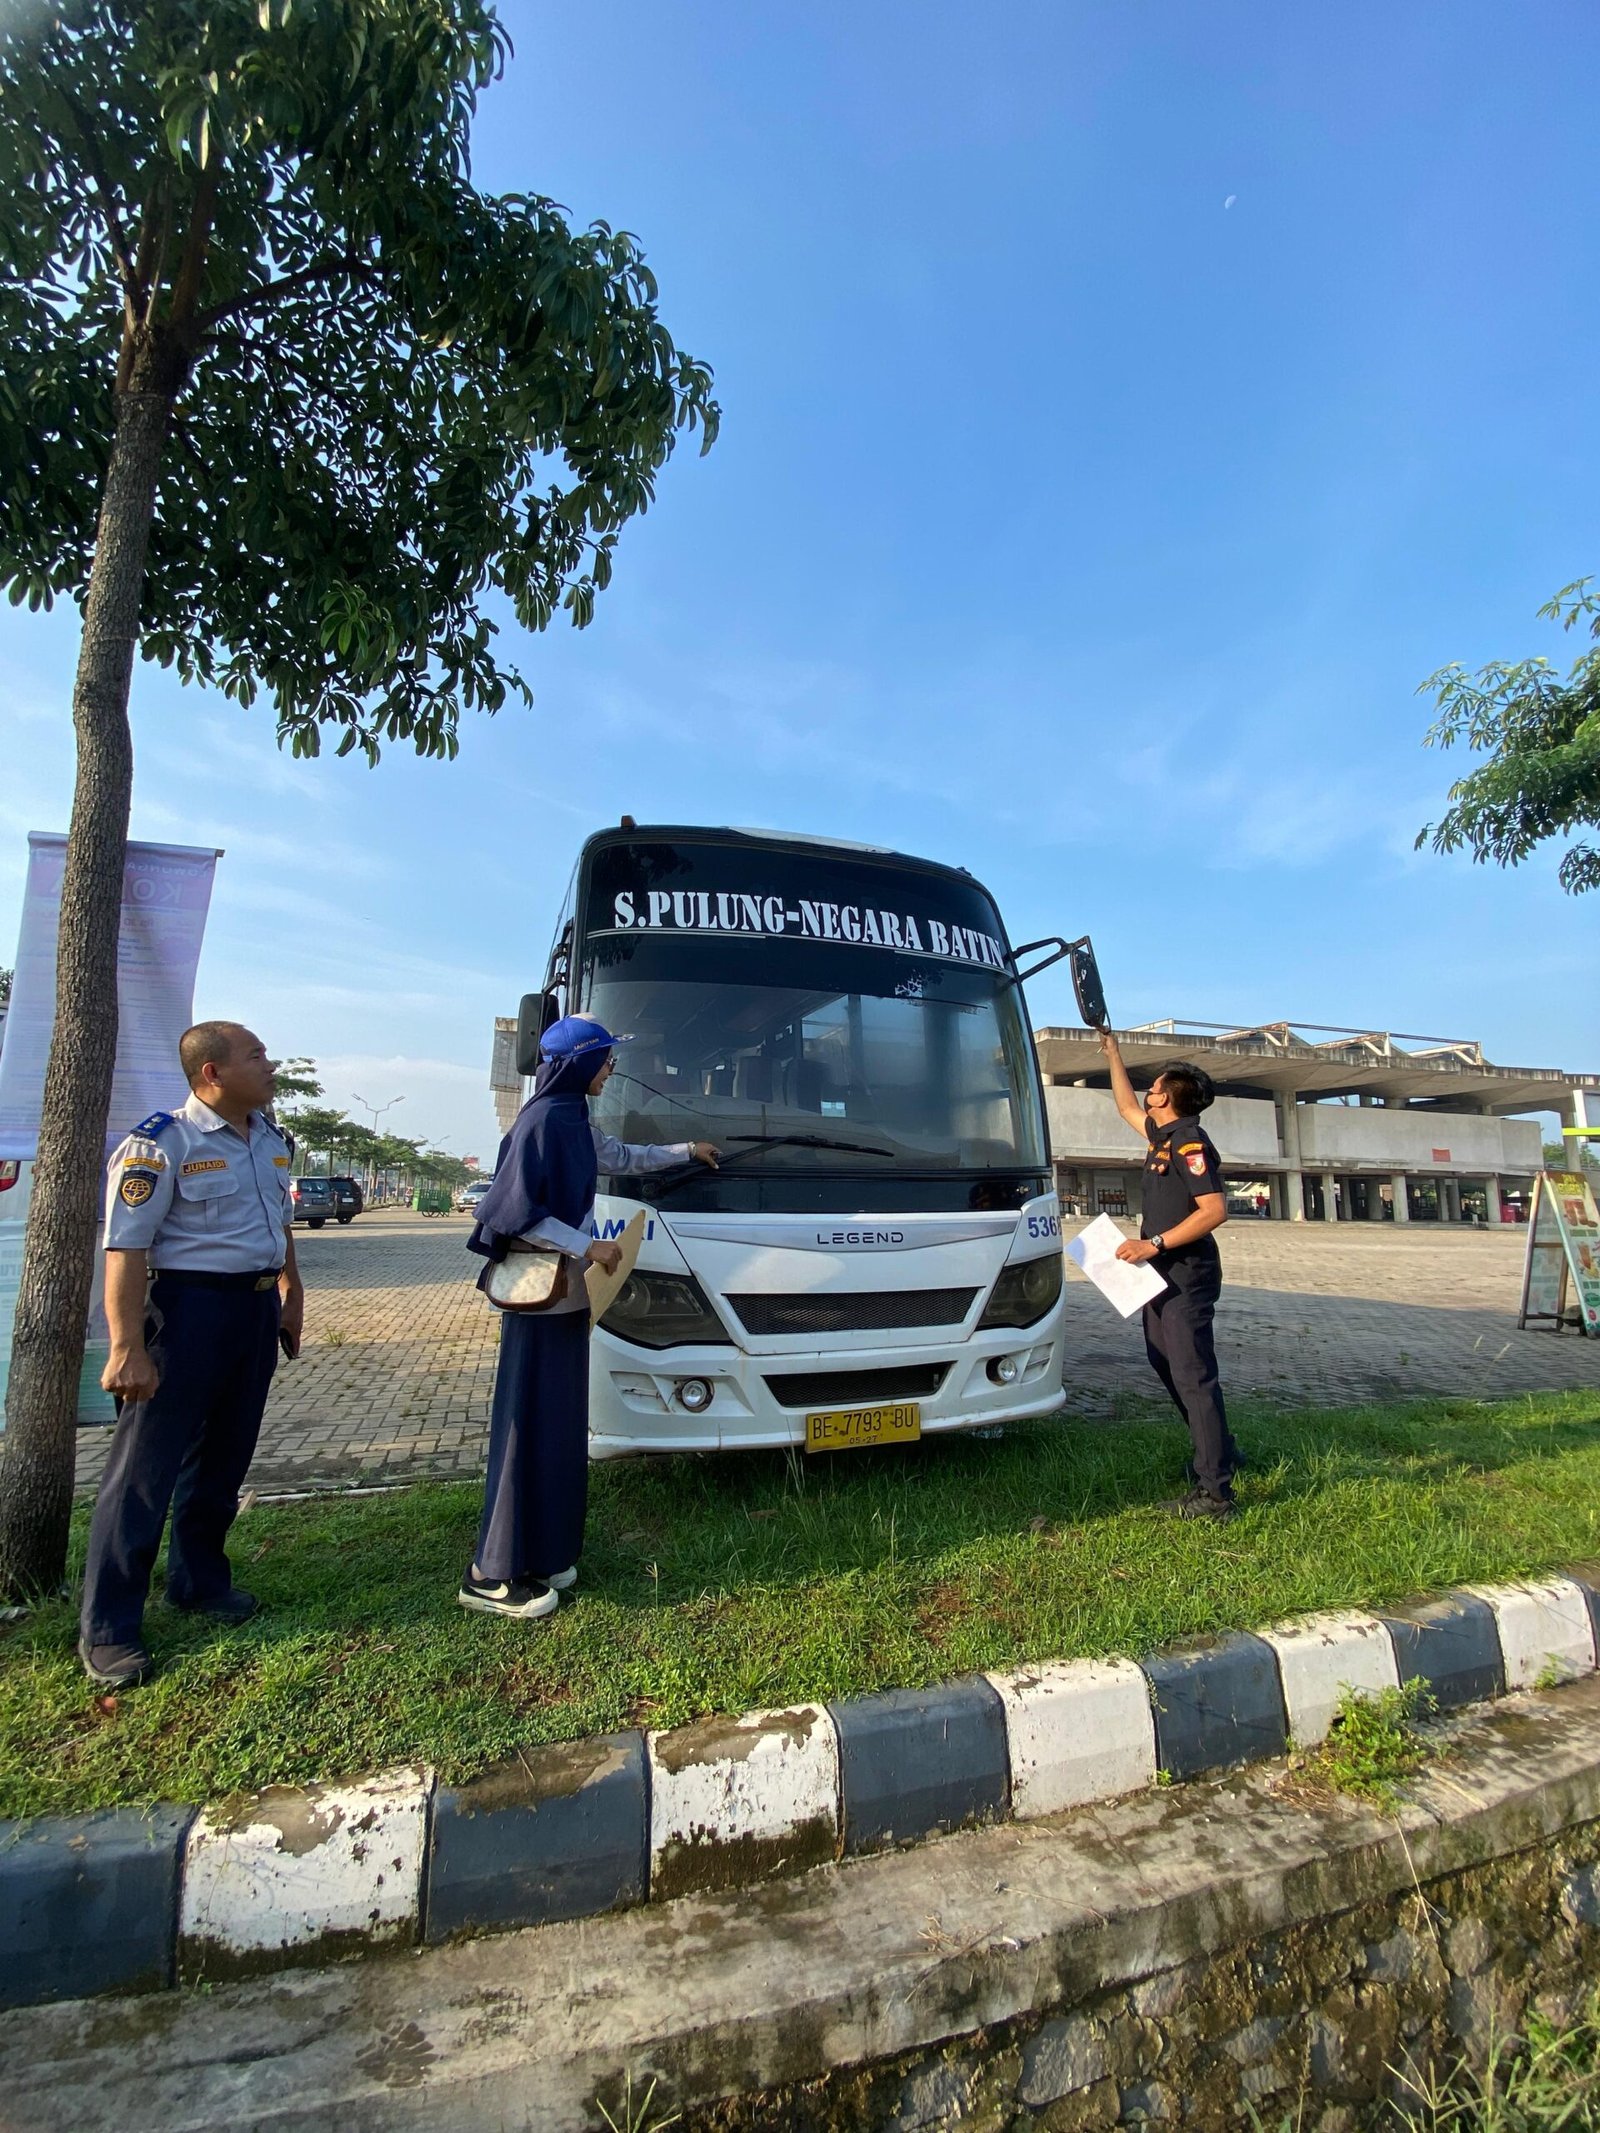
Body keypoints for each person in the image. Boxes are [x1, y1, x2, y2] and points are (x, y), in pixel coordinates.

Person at [461, 1014, 719, 1619]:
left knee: (556, 1426)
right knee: (525, 1427)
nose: (611, 1069)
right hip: (540, 1298)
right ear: (577, 1063)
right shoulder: (542, 1121)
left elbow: (621, 1154)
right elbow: (511, 1214)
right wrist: (588, 1246)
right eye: (604, 1059)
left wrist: (686, 1150)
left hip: (567, 1298)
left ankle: (542, 1552)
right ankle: (490, 1573)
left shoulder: (572, 1117)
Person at [79, 1022, 304, 1688]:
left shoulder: (270, 1138)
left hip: (254, 1310)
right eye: (256, 1055)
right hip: (188, 1313)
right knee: (144, 1472)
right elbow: (125, 1249)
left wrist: (291, 1294)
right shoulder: (159, 1144)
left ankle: (200, 1581)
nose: (270, 1064)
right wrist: (126, 1347)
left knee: (223, 1460)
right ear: (212, 1073)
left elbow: (281, 1227)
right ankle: (109, 1626)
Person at [1097, 1032, 1239, 1522]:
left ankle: (1216, 1494)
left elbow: (1214, 1210)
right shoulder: (1163, 1137)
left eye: (1153, 1087)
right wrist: (1114, 1055)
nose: (1147, 1093)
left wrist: (1152, 1244)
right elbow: (1122, 1107)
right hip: (1156, 1272)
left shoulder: (1191, 1142)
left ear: (1167, 1097)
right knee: (1164, 1362)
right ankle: (1218, 1455)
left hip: (1185, 1274)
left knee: (1194, 1376)